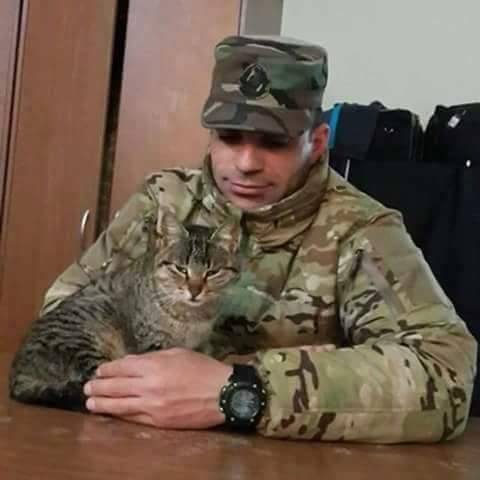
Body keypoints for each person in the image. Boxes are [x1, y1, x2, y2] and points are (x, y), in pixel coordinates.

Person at [40, 35, 476, 442]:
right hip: (142, 446)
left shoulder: (361, 230)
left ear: (316, 142)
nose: (246, 163)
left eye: (274, 142)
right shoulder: (165, 202)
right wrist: (147, 383)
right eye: (229, 138)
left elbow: (446, 374)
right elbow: (61, 314)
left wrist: (242, 390)